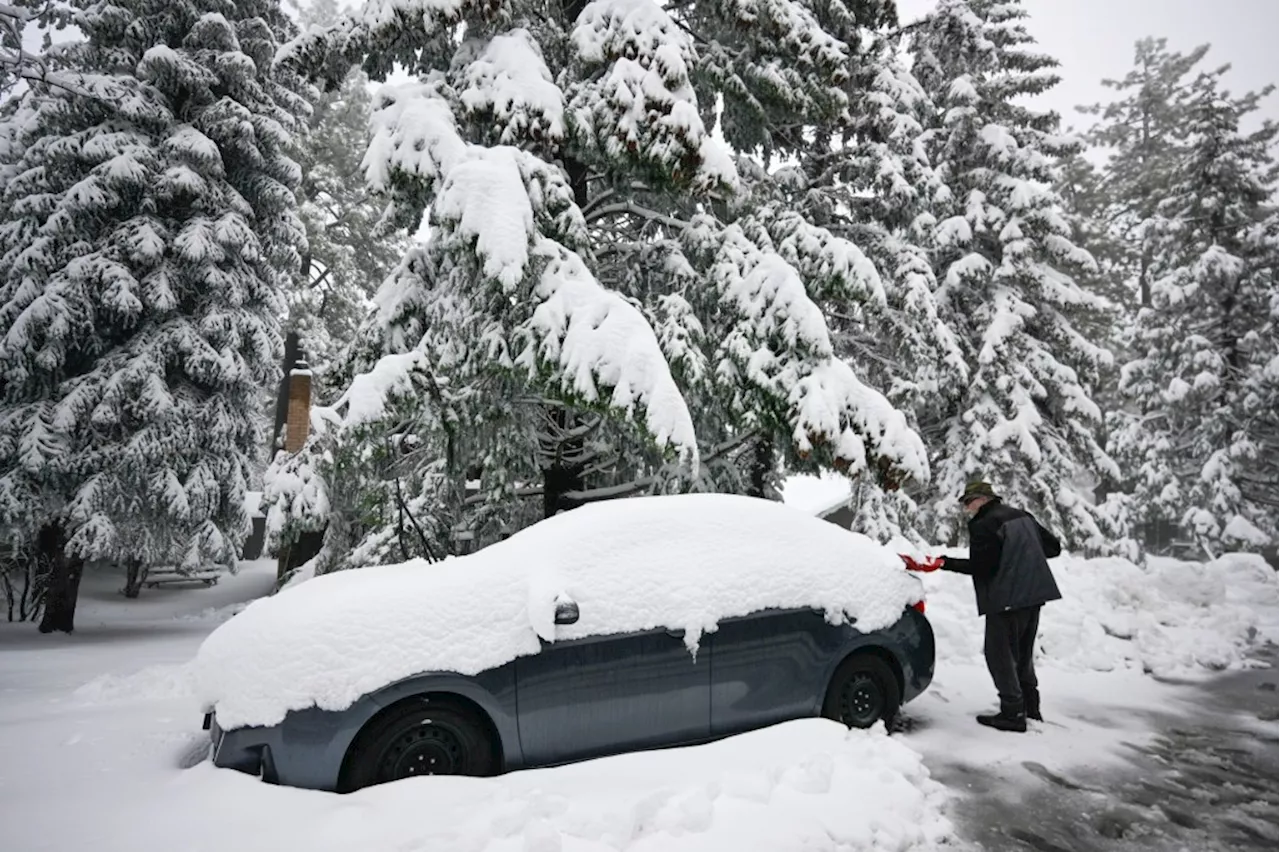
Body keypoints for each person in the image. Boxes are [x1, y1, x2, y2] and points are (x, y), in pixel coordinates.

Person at [902, 480, 1062, 733]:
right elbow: (1053, 548)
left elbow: (982, 567)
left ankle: (1012, 714)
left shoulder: (984, 523)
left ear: (982, 499)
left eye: (968, 502)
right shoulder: (1022, 516)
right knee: (1022, 654)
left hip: (1007, 599)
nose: (967, 508)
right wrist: (1021, 554)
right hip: (1034, 595)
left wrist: (944, 562)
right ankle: (1031, 707)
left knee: (999, 656)